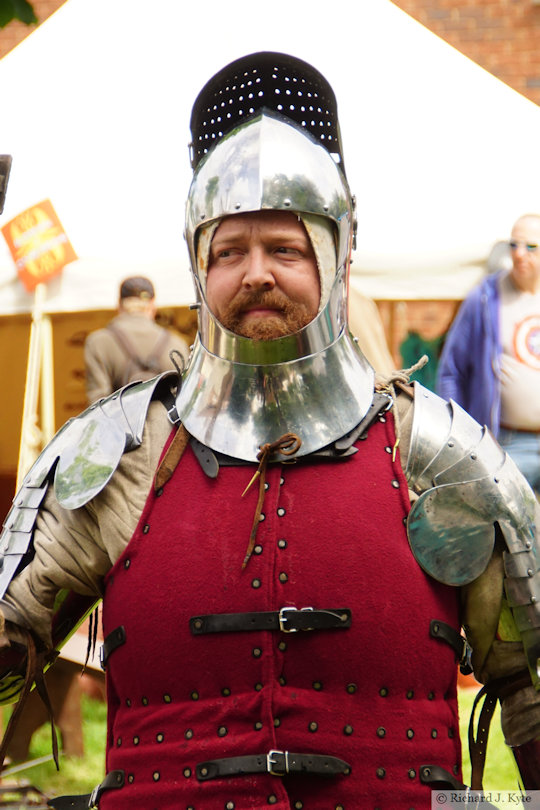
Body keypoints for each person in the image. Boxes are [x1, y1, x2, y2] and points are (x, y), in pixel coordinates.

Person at [0, 52, 539, 810]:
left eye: (285, 248)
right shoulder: (119, 451)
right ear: (197, 265)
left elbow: (533, 686)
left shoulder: (440, 453)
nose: (256, 273)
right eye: (230, 251)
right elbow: (6, 642)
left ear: (337, 255)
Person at [437, 214, 540, 493]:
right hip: (506, 443)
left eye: (531, 247)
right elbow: (451, 372)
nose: (520, 255)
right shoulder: (484, 298)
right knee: (507, 533)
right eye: (514, 245)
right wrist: (461, 435)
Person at [84, 275, 190, 403]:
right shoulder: (176, 344)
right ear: (152, 305)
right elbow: (185, 401)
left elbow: (97, 404)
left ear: (119, 305)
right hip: (165, 421)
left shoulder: (98, 342)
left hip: (119, 422)